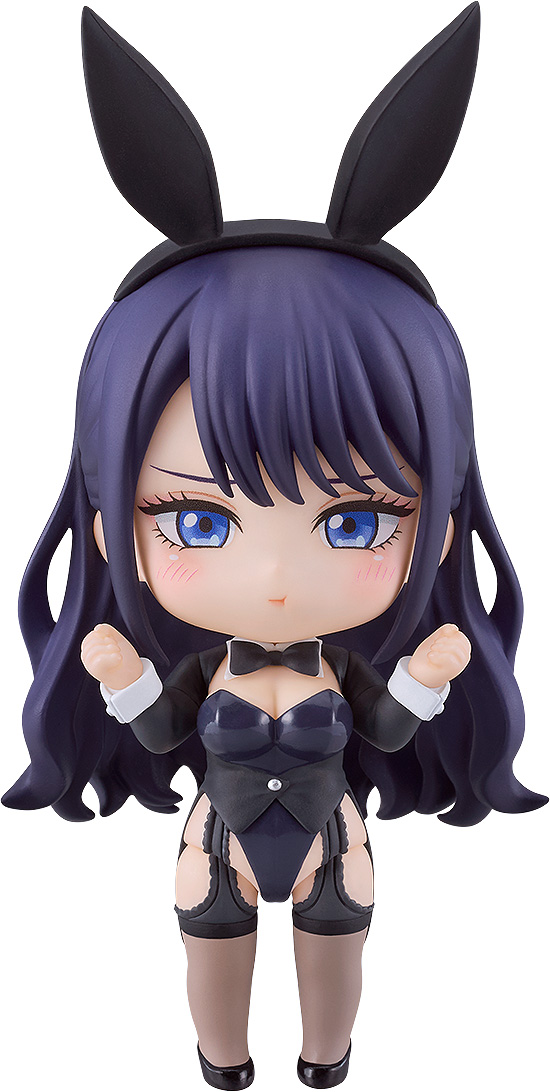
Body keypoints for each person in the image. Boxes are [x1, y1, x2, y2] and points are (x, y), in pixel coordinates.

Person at [3, 6, 546, 1089]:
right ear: (114, 530)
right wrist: (121, 680)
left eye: (353, 522)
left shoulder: (341, 667)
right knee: (212, 960)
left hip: (335, 840)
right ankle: (223, 1066)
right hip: (217, 843)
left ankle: (325, 1062)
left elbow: (384, 725)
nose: (276, 578)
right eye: (200, 520)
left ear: (437, 529)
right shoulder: (207, 668)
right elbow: (162, 727)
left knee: (336, 961)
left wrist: (427, 680)